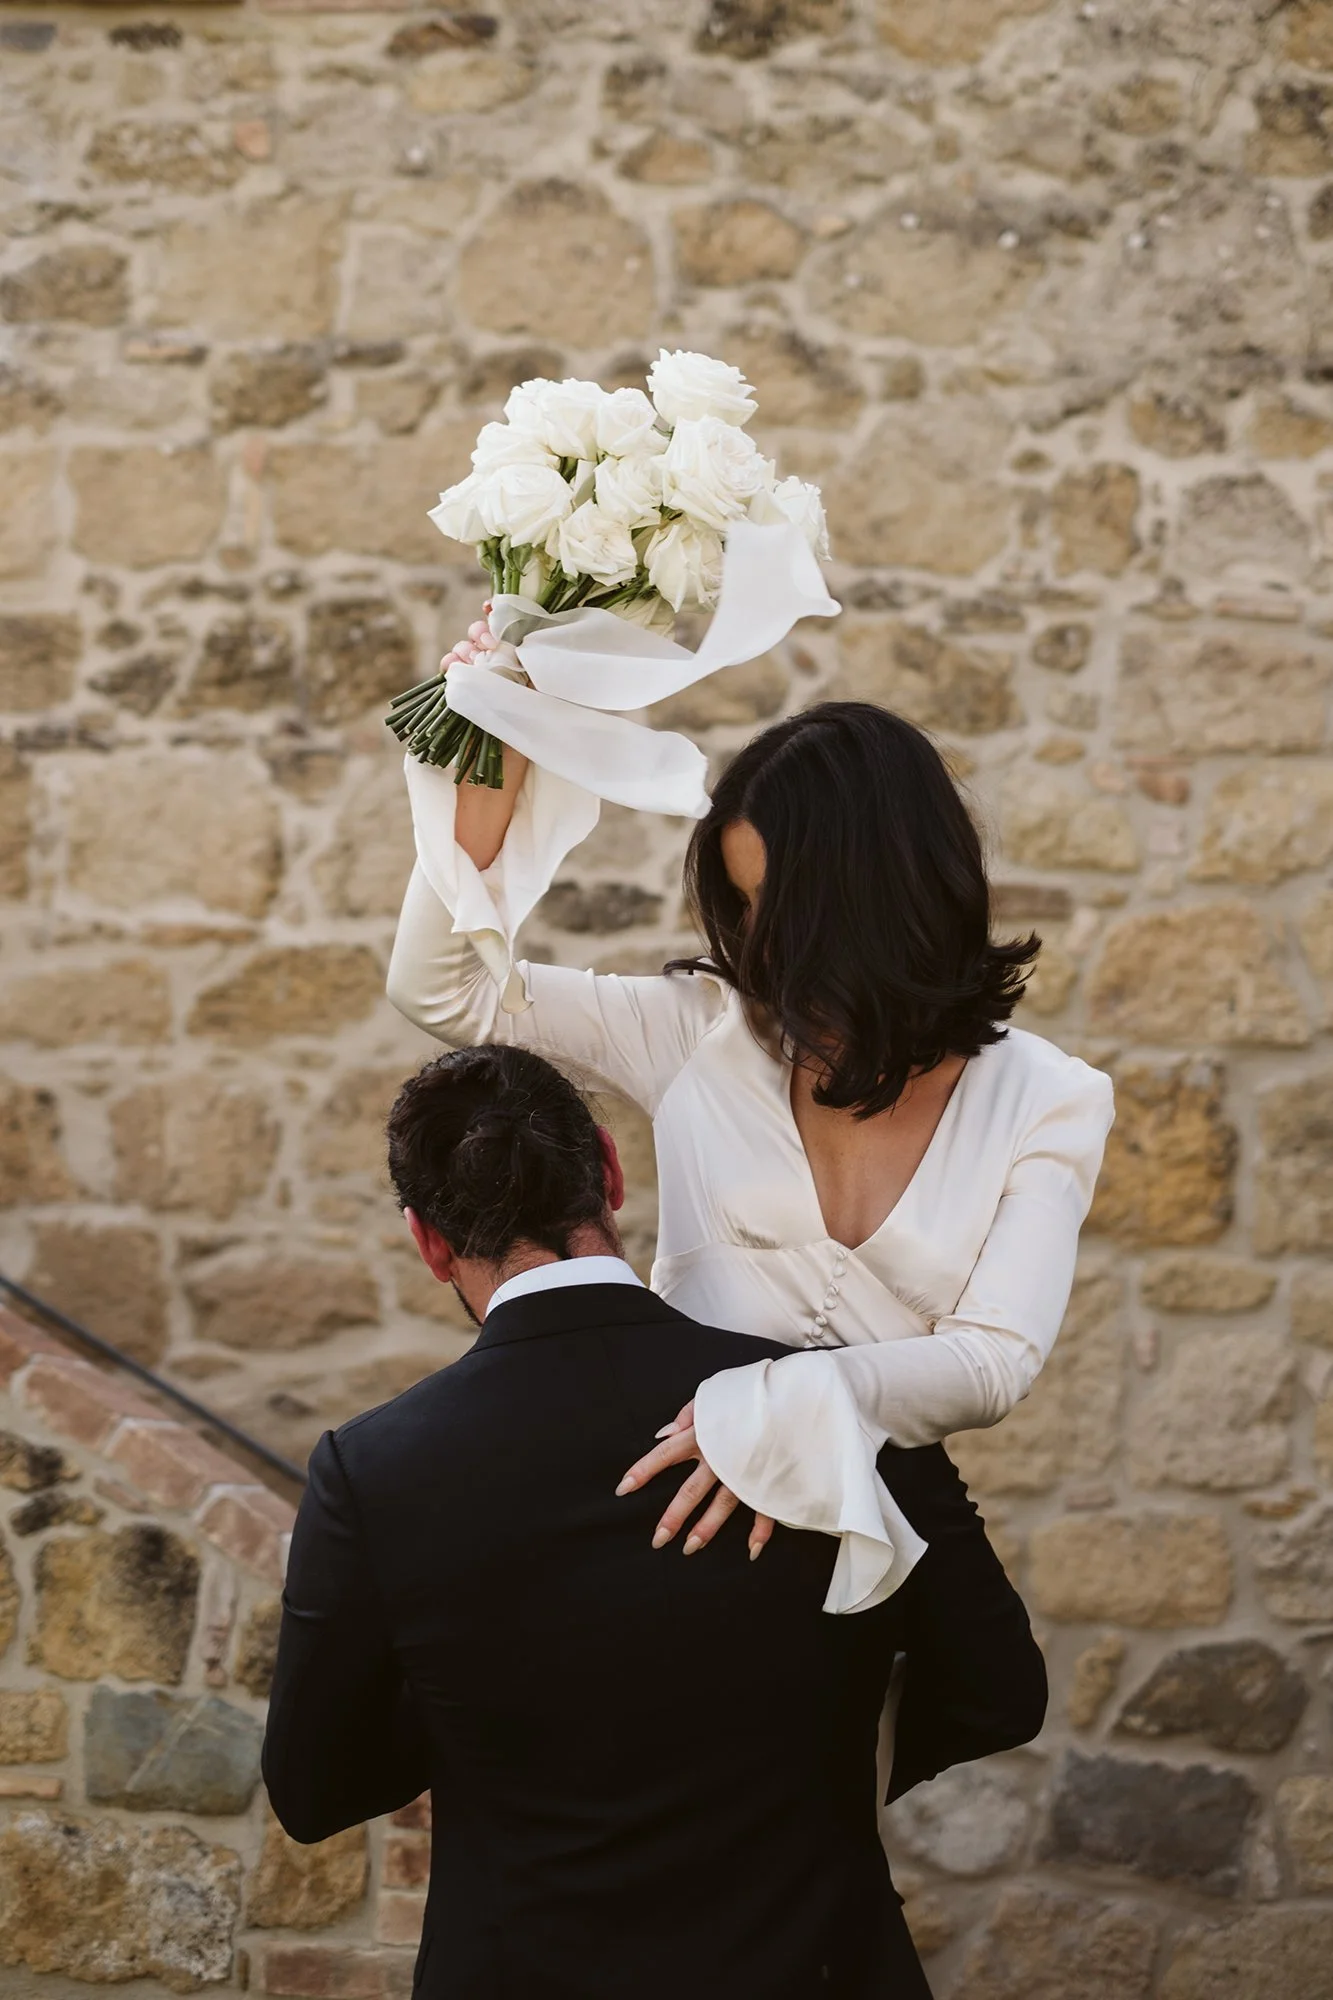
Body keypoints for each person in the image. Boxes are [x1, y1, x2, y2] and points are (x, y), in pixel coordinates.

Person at [263, 1044, 1046, 2000]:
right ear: (610, 1171)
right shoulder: (835, 1389)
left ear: (428, 1242)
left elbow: (314, 1791)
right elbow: (999, 1688)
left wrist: (479, 1706)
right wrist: (821, 1780)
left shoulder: (370, 1468)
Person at [387, 655, 1114, 1609]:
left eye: (783, 907)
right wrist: (499, 739)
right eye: (741, 905)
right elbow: (444, 988)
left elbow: (991, 1362)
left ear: (884, 895)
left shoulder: (1048, 1096)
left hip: (870, 1526)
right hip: (667, 1511)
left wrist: (768, 1409)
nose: (759, 943)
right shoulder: (698, 1029)